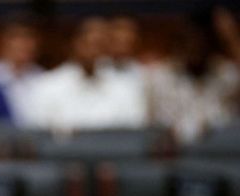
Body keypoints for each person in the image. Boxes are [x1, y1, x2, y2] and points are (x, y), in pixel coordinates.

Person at [25, 17, 147, 131]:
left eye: (99, 45)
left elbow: (133, 132)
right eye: (88, 44)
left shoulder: (126, 88)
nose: (93, 51)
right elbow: (38, 134)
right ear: (74, 44)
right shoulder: (47, 85)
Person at [146, 6, 240, 143]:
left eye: (202, 38)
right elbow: (153, 128)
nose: (196, 45)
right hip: (171, 158)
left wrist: (230, 34)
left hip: (219, 156)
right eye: (190, 37)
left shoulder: (227, 76)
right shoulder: (161, 77)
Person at [0, 17, 43, 127]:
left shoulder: (45, 79)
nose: (24, 44)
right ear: (4, 41)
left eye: (29, 38)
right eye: (17, 37)